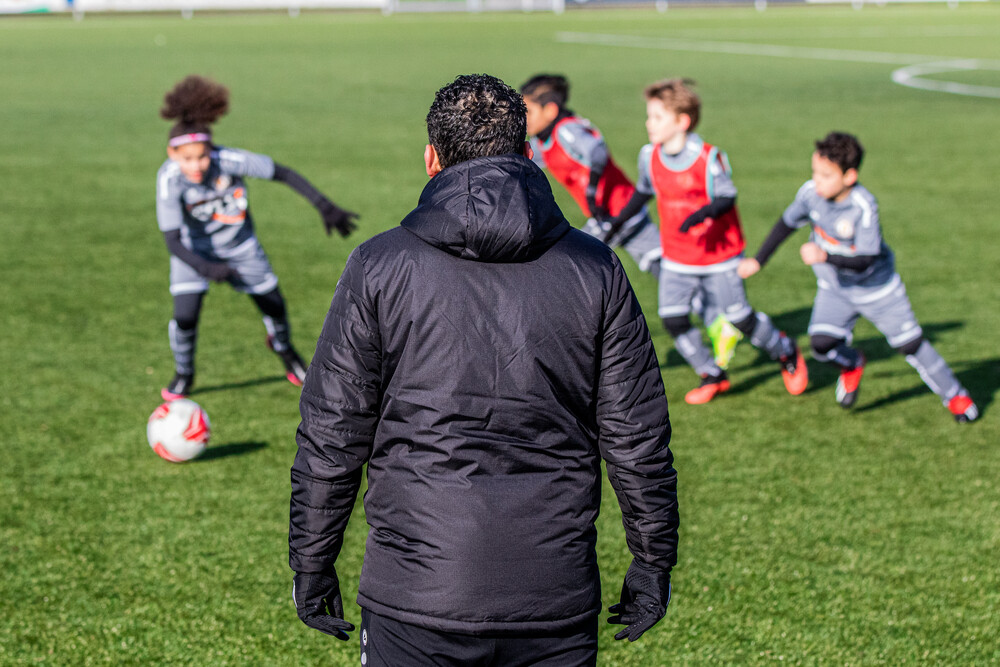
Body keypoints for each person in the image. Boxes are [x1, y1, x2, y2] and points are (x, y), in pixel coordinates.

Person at [289, 74, 678, 666]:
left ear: (431, 159)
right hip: (552, 594)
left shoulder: (378, 265)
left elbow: (333, 434)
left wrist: (312, 561)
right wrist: (652, 560)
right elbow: (637, 436)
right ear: (527, 153)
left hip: (417, 595)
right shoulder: (595, 267)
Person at [738, 131, 979, 422]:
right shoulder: (810, 194)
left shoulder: (864, 207)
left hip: (878, 290)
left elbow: (867, 259)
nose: (817, 181)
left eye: (826, 175)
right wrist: (758, 260)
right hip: (835, 289)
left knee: (910, 345)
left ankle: (956, 396)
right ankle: (852, 363)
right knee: (822, 346)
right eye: (815, 172)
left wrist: (824, 256)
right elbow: (786, 224)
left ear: (849, 176)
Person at [520, 73, 742, 370]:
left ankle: (562, 349)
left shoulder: (566, 131)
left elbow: (597, 153)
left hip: (620, 213)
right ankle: (716, 322)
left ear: (550, 111)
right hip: (612, 217)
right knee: (660, 272)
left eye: (528, 111)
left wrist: (592, 189)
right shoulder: (545, 139)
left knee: (568, 268)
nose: (524, 118)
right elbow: (532, 163)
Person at [606, 78, 808, 404]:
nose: (648, 123)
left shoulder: (707, 158)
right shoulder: (649, 156)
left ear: (682, 121)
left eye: (657, 117)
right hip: (676, 256)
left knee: (740, 317)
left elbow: (727, 197)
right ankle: (711, 372)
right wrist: (617, 223)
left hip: (719, 257)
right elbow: (643, 191)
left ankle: (785, 350)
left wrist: (702, 215)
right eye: (649, 115)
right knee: (673, 318)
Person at [155, 75, 357, 400]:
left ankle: (286, 351)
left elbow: (283, 173)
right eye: (187, 158)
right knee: (185, 317)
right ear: (172, 153)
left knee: (274, 305)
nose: (196, 165)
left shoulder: (229, 161)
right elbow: (173, 241)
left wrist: (324, 206)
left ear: (211, 149)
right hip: (194, 254)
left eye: (202, 156)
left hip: (242, 248)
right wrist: (207, 268)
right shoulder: (168, 179)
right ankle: (184, 373)